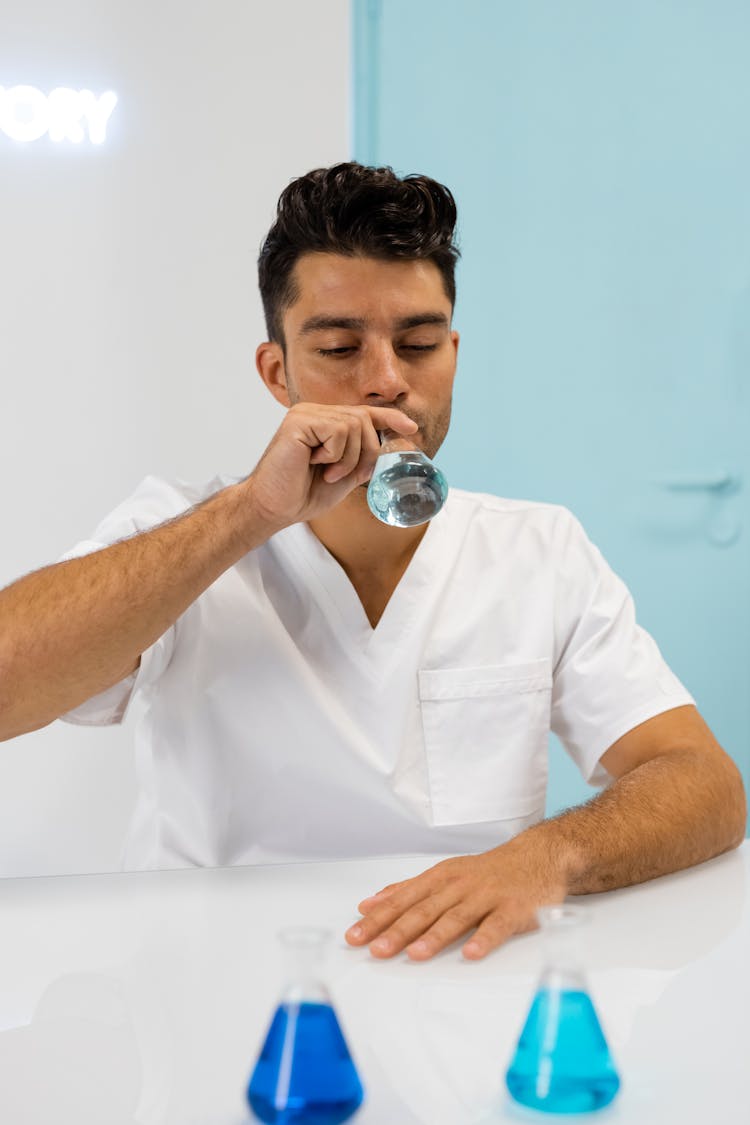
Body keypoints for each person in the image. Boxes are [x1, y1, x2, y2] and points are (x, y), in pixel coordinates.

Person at [0, 163, 745, 962]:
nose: (388, 380)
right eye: (340, 346)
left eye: (418, 343)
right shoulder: (180, 530)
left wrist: (543, 858)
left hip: (456, 972)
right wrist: (253, 511)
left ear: (453, 354)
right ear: (277, 372)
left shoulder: (538, 550)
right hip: (210, 974)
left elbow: (705, 784)